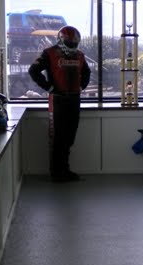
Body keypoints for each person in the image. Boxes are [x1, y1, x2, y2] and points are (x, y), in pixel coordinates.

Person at [28, 26, 91, 182]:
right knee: (58, 137)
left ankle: (65, 169)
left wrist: (82, 86)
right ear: (62, 40)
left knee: (70, 136)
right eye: (70, 42)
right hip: (58, 100)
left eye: (75, 42)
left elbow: (87, 72)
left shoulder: (80, 55)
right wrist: (48, 87)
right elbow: (33, 70)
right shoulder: (49, 53)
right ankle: (56, 173)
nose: (73, 45)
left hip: (74, 99)